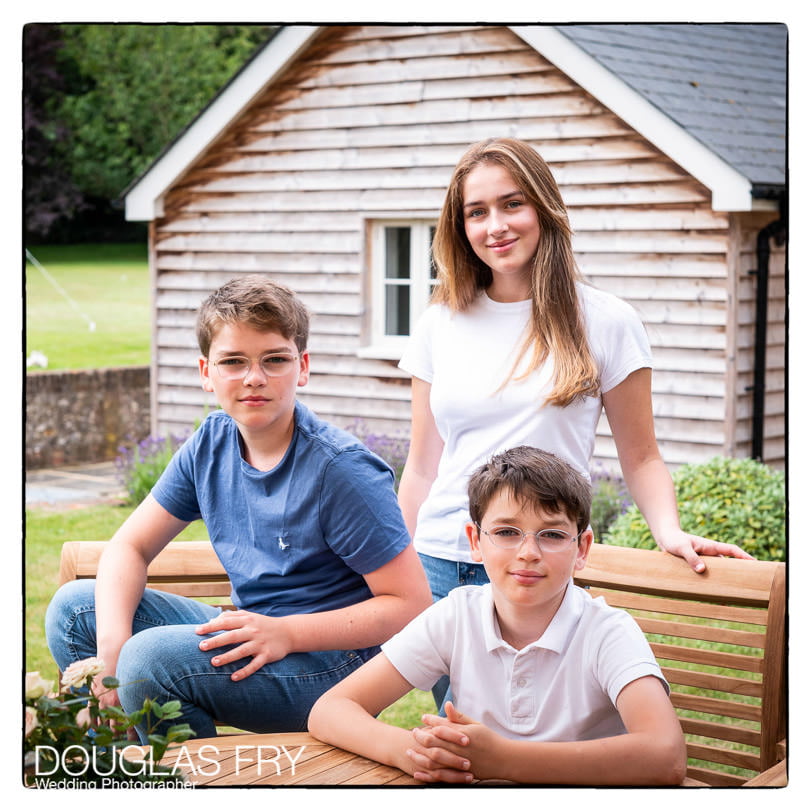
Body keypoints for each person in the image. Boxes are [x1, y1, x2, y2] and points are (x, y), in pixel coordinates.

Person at [397, 138, 752, 651]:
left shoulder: (606, 322)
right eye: (477, 212)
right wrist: (396, 555)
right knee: (457, 727)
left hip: (537, 560)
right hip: (438, 562)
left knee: (528, 725)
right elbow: (423, 466)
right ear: (461, 227)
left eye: (512, 203)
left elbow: (642, 454)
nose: (495, 225)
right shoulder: (440, 322)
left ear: (544, 207)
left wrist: (669, 533)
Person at [46, 276, 432, 743]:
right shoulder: (211, 443)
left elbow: (410, 606)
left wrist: (286, 634)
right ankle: (139, 760)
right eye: (233, 362)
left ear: (302, 367)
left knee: (147, 661)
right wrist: (112, 652)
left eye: (274, 360)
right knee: (74, 610)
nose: (254, 377)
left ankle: (194, 782)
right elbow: (129, 545)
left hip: (331, 664)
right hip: (252, 633)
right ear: (206, 373)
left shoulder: (340, 471)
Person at [308, 446, 687, 785]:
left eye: (552, 535)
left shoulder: (607, 632)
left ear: (582, 548)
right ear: (475, 542)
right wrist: (412, 752)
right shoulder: (457, 616)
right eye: (507, 532)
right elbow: (330, 710)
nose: (528, 552)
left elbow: (665, 755)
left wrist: (504, 760)